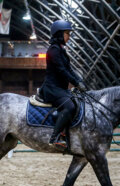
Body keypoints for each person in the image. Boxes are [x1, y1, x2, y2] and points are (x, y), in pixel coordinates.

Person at [39, 20, 87, 149]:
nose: (69, 36)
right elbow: (62, 70)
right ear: (59, 34)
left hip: (60, 88)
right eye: (67, 33)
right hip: (52, 88)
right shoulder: (53, 50)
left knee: (77, 103)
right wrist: (76, 83)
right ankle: (55, 137)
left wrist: (80, 81)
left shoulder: (61, 49)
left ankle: (68, 133)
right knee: (70, 107)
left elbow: (70, 69)